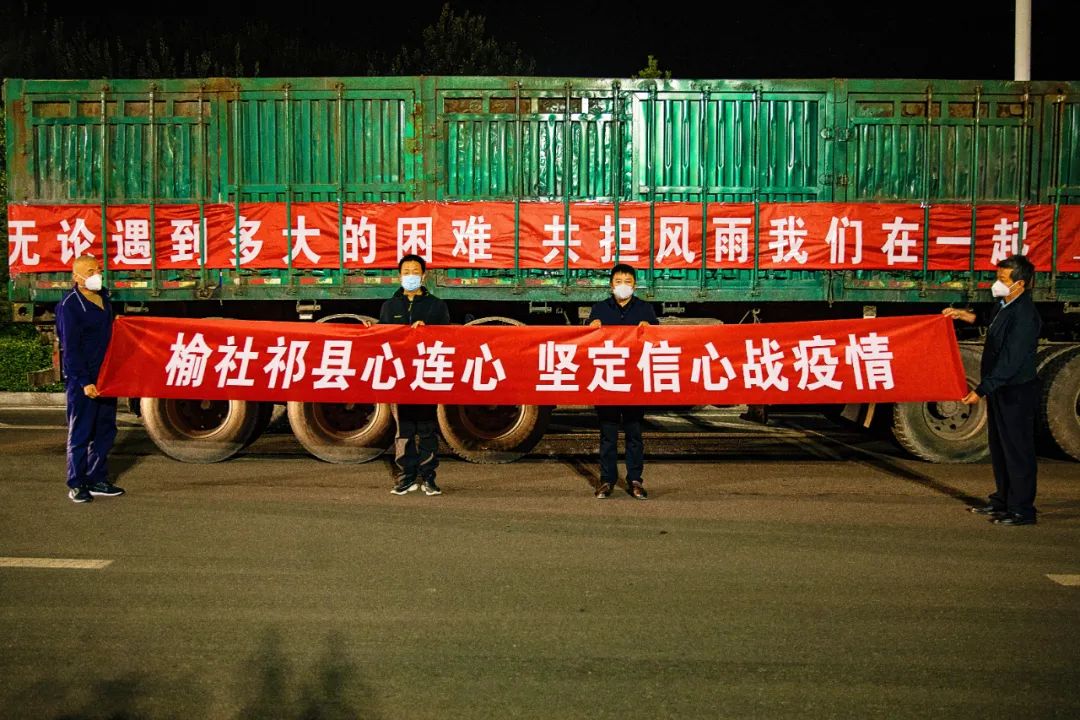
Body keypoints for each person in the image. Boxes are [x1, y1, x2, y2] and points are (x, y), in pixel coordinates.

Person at [943, 254, 1041, 526]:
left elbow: (1011, 360)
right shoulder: (1003, 305)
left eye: (1002, 279)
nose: (996, 284)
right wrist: (962, 315)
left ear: (1020, 284)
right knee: (1000, 447)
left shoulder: (1025, 315)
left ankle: (1022, 510)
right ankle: (1002, 501)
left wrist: (981, 390)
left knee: (1017, 450)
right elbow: (988, 321)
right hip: (1001, 389)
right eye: (997, 277)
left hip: (1016, 391)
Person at [377, 254, 451, 496]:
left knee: (428, 429)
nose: (410, 276)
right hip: (401, 377)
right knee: (404, 430)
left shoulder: (436, 306)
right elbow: (381, 338)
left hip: (426, 374)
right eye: (406, 272)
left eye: (415, 272)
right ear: (399, 276)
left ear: (424, 275)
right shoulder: (389, 307)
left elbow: (447, 339)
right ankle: (406, 478)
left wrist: (427, 332)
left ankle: (429, 477)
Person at [587, 263, 659, 500]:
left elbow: (658, 340)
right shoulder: (599, 309)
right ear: (611, 285)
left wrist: (650, 329)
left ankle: (635, 480)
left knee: (634, 433)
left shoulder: (645, 309)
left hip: (634, 381)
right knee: (608, 434)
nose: (623, 286)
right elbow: (587, 340)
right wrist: (591, 327)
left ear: (634, 285)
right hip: (607, 380)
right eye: (618, 281)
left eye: (628, 282)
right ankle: (607, 480)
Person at [56, 255, 124, 504]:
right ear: (76, 277)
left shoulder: (103, 298)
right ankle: (76, 483)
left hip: (105, 376)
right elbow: (70, 349)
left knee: (105, 429)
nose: (96, 275)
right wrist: (84, 381)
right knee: (81, 432)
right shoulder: (70, 306)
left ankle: (97, 478)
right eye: (90, 271)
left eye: (98, 270)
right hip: (83, 380)